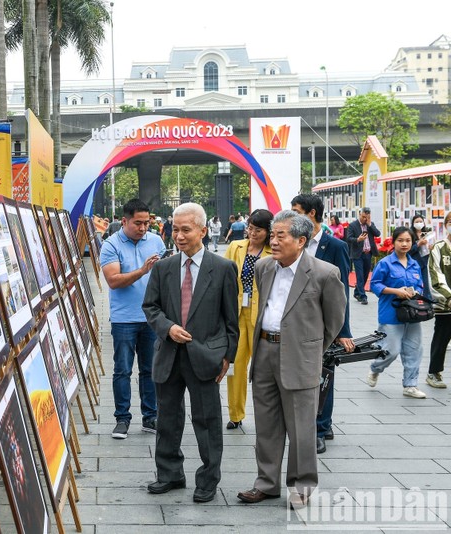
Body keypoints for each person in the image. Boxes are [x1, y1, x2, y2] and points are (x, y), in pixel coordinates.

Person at [237, 211, 345, 508]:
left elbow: (334, 320)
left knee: (301, 430)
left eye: (280, 235)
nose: (273, 241)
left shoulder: (324, 273)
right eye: (272, 235)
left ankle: (301, 487)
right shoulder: (264, 267)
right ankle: (266, 484)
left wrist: (311, 348)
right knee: (267, 426)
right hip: (264, 352)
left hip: (300, 356)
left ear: (301, 240)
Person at [142, 202, 239, 503]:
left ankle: (208, 479)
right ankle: (170, 473)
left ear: (203, 231)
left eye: (186, 230)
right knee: (168, 418)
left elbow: (231, 319)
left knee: (207, 420)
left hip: (206, 355)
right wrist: (167, 327)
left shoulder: (222, 268)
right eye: (175, 229)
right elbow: (151, 307)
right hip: (169, 354)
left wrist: (228, 356)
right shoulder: (163, 267)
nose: (179, 236)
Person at [291, 194, 354, 455]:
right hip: (297, 321)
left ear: (312, 214)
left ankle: (320, 429)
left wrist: (343, 331)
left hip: (324, 323)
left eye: (297, 211)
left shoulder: (334, 246)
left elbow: (342, 295)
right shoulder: (293, 242)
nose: (293, 215)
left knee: (323, 376)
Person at [100, 199, 165, 439]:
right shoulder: (111, 245)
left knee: (150, 370)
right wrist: (142, 271)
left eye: (146, 223)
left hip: (151, 317)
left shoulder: (156, 241)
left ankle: (150, 416)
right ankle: (122, 419)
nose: (143, 228)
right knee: (123, 370)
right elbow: (114, 281)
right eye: (138, 223)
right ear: (124, 221)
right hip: (124, 318)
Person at [223, 209, 273, 430]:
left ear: (268, 231)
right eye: (250, 228)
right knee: (236, 366)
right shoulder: (236, 247)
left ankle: (267, 414)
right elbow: (223, 275)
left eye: (258, 230)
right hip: (237, 314)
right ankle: (235, 414)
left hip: (262, 317)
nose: (252, 233)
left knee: (263, 370)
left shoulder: (274, 252)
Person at [365, 226, 427, 398]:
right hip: (391, 314)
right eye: (400, 240)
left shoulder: (414, 264)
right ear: (393, 242)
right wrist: (396, 291)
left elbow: (420, 284)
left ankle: (410, 385)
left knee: (414, 349)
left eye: (408, 240)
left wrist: (415, 291)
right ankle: (375, 369)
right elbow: (375, 284)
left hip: (412, 314)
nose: (404, 244)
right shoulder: (385, 264)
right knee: (391, 350)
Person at [427, 212, 451, 388]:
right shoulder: (439, 248)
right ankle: (434, 372)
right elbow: (436, 275)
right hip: (446, 305)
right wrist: (448, 296)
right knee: (442, 338)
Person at [345, 207, 380, 305]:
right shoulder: (353, 225)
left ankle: (357, 292)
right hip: (357, 254)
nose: (365, 219)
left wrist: (370, 225)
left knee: (365, 275)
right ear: (360, 214)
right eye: (364, 217)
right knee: (360, 275)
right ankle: (363, 296)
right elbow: (348, 238)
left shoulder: (370, 224)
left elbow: (377, 234)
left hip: (368, 253)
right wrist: (358, 239)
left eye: (367, 217)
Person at [409, 214, 432, 298]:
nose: (419, 223)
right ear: (413, 223)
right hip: (414, 263)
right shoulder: (410, 235)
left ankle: (427, 301)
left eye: (421, 221)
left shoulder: (426, 233)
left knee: (426, 283)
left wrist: (431, 247)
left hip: (425, 262)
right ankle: (414, 300)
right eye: (417, 222)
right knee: (414, 282)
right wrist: (418, 244)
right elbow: (409, 250)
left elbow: (430, 248)